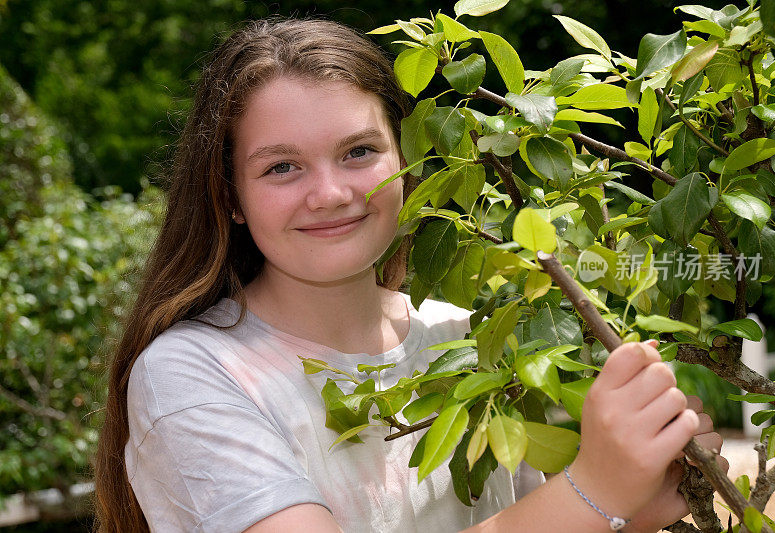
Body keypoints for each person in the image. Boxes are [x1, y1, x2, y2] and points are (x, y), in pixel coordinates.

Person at [92, 17, 728, 533]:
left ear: (409, 160)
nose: (331, 193)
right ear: (229, 195)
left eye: (359, 152)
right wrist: (595, 491)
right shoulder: (193, 374)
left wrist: (632, 505)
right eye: (282, 167)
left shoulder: (470, 336)